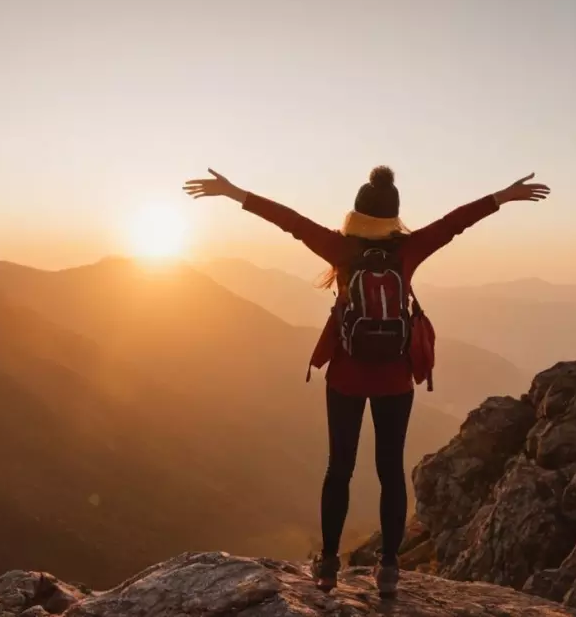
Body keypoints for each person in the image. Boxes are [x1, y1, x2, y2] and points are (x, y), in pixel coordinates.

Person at [182, 166, 550, 597]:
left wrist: (234, 192)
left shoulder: (340, 248)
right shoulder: (408, 249)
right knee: (390, 470)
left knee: (339, 467)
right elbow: (454, 223)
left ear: (357, 212)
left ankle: (327, 565)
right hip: (396, 380)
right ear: (394, 215)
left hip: (346, 377)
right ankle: (389, 568)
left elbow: (289, 221)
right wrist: (502, 196)